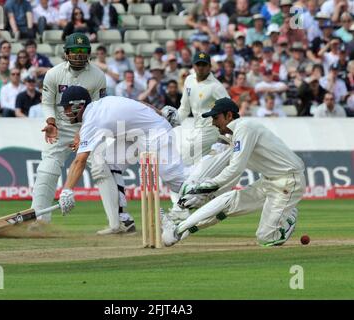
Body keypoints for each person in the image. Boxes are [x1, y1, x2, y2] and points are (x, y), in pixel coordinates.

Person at [162, 97, 306, 247]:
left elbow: (235, 168)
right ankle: (178, 231)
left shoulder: (245, 128)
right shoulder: (233, 135)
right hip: (268, 181)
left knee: (267, 238)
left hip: (289, 181)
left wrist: (206, 186)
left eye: (216, 117)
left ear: (229, 115)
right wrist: (204, 189)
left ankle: (288, 218)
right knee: (229, 202)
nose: (213, 123)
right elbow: (218, 163)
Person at [57, 87, 187, 218]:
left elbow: (80, 161)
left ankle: (205, 181)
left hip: (155, 132)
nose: (64, 111)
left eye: (67, 107)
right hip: (135, 135)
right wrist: (160, 113)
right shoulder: (101, 104)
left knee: (176, 180)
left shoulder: (91, 120)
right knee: (108, 162)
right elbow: (138, 103)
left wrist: (67, 190)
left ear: (78, 105)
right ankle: (123, 218)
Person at [31, 33, 116, 233]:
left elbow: (98, 108)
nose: (79, 55)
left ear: (89, 54)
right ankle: (39, 220)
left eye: (83, 51)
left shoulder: (97, 76)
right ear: (66, 53)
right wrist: (51, 122)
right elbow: (47, 102)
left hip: (88, 129)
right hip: (59, 127)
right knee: (47, 170)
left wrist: (83, 132)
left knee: (101, 169)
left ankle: (118, 221)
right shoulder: (53, 74)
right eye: (75, 51)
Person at [177, 51, 230, 164]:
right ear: (193, 66)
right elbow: (184, 109)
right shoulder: (189, 80)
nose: (201, 68)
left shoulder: (216, 86)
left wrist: (228, 132)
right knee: (199, 164)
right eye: (198, 64)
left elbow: (230, 107)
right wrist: (171, 123)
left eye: (204, 65)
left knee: (185, 159)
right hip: (196, 128)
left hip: (211, 130)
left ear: (210, 67)